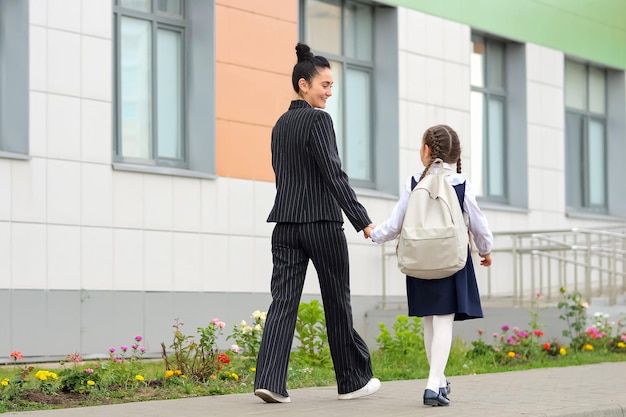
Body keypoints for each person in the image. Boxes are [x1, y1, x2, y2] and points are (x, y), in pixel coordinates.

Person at [253, 42, 381, 404]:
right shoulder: (318, 119)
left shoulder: (280, 125)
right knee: (336, 300)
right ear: (303, 84)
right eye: (324, 85)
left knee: (283, 302)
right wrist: (363, 221)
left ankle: (270, 381)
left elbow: (286, 176)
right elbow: (333, 174)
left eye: (331, 86)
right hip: (321, 223)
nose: (328, 92)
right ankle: (352, 380)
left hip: (285, 225)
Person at [370, 124, 493, 407]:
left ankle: (439, 381)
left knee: (430, 321)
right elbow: (479, 223)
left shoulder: (414, 182)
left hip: (420, 260)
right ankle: (432, 385)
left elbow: (397, 222)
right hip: (451, 259)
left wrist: (375, 234)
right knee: (443, 322)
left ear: (426, 150)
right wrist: (486, 250)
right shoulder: (461, 183)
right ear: (455, 155)